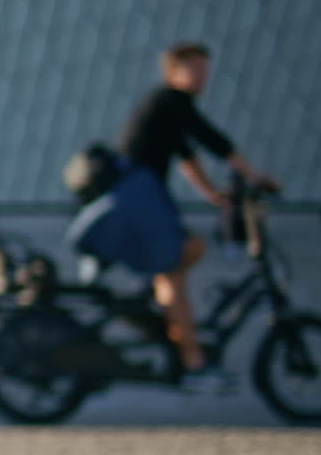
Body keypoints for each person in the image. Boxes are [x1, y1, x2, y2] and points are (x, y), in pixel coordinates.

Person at [115, 42, 278, 380]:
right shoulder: (170, 101)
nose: (203, 76)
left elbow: (187, 156)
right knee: (179, 257)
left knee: (181, 258)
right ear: (173, 71)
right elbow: (212, 140)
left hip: (143, 198)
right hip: (139, 197)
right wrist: (253, 176)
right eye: (194, 68)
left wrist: (213, 195)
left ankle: (165, 315)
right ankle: (192, 359)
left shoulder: (168, 109)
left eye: (205, 69)